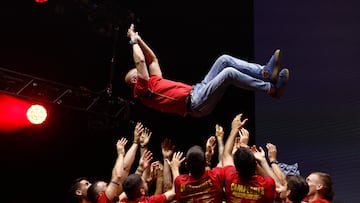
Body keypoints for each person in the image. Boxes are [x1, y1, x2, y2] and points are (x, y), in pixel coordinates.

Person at [125, 23, 290, 117]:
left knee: (224, 59)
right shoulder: (141, 91)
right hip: (195, 104)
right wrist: (133, 42)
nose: (140, 69)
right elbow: (140, 60)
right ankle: (271, 89)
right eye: (136, 72)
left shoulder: (154, 82)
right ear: (134, 80)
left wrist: (139, 39)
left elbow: (152, 59)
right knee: (228, 74)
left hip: (198, 89)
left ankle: (265, 73)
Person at [222, 113, 277, 202]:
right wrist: (255, 160)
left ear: (236, 167)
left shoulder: (230, 178)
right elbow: (272, 181)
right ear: (254, 164)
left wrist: (234, 130)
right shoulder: (267, 185)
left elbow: (226, 155)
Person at [119, 151, 185, 203]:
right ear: (142, 191)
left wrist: (141, 168)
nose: (146, 181)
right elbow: (173, 192)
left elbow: (129, 189)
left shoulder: (120, 201)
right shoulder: (151, 201)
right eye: (144, 182)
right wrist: (175, 168)